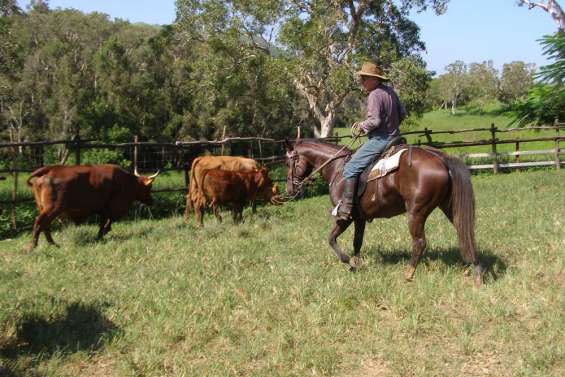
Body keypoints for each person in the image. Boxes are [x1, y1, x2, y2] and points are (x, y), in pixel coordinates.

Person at [336, 62, 406, 221]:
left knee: (350, 167)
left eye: (364, 78)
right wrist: (392, 125)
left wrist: (361, 125)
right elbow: (402, 114)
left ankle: (346, 208)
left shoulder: (374, 94)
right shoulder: (391, 92)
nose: (361, 82)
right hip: (396, 138)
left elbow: (374, 121)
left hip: (381, 140)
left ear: (374, 79)